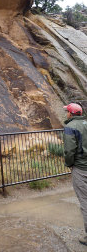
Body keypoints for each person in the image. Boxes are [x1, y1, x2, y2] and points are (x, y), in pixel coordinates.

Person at [63, 102, 87, 246]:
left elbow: (69, 151)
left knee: (85, 201)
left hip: (80, 169)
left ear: (71, 114)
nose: (66, 113)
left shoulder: (70, 127)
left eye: (67, 111)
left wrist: (69, 163)